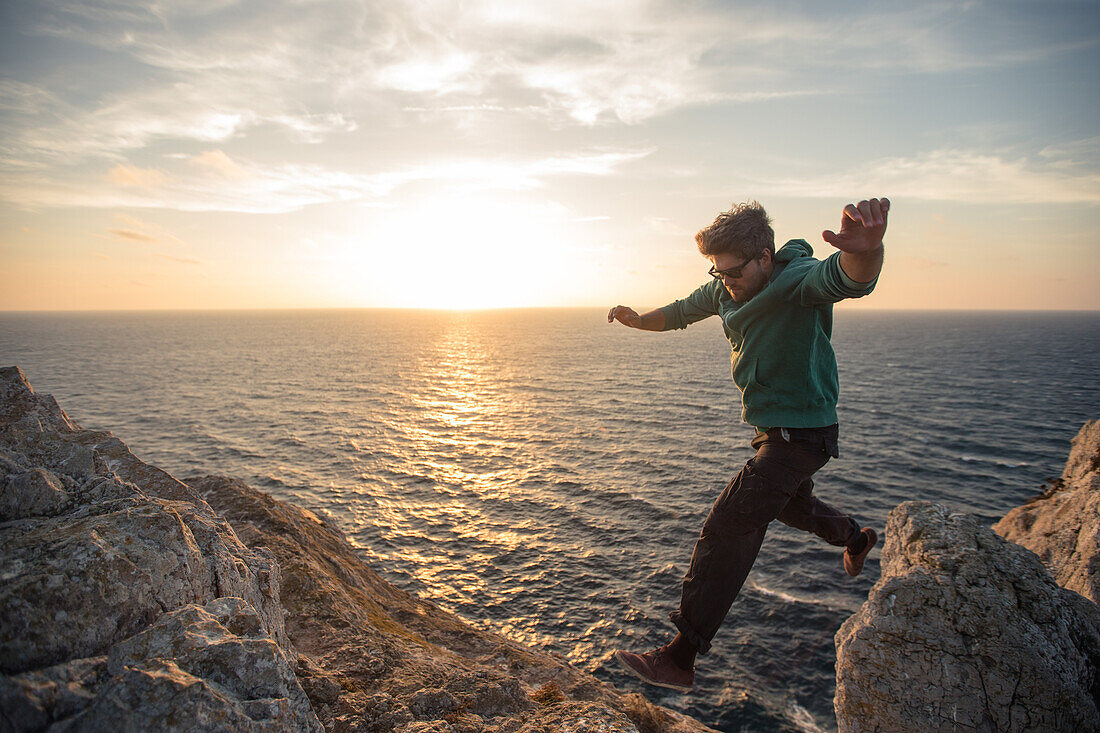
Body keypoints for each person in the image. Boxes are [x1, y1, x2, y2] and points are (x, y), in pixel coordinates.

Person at [607, 197, 889, 692]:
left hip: (801, 436)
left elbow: (845, 278)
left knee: (728, 526)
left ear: (764, 256)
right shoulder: (725, 289)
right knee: (787, 506)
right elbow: (678, 312)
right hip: (772, 432)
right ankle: (854, 538)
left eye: (733, 271)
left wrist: (868, 250)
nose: (725, 281)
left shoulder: (795, 280)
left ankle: (681, 656)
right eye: (717, 272)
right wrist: (637, 320)